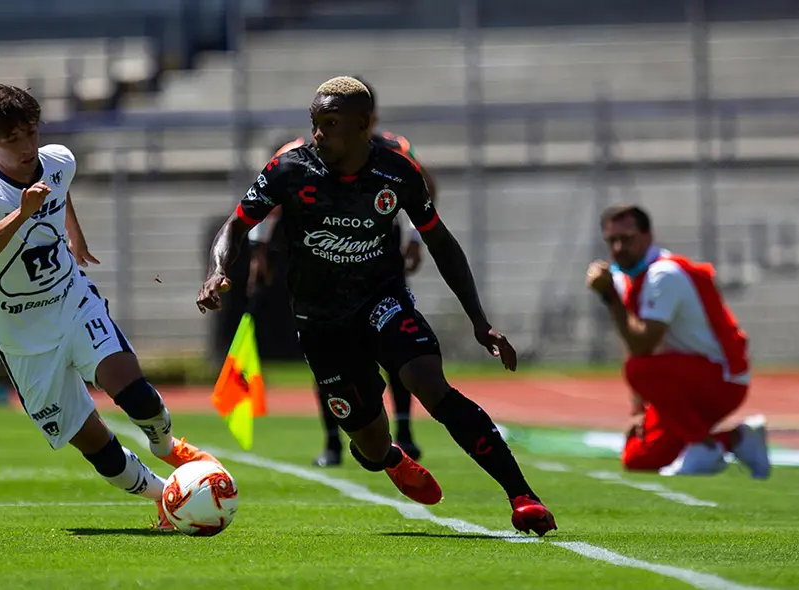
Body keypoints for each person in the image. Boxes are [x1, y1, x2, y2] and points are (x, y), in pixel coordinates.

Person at [197, 76, 556, 536]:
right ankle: (390, 457)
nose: (319, 134)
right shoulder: (289, 169)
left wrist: (479, 321)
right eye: (315, 124)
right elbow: (235, 224)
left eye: (330, 123)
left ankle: (522, 496)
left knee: (429, 382)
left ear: (365, 124)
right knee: (367, 447)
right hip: (321, 321)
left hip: (381, 300)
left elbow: (441, 243)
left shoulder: (398, 172)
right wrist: (216, 270)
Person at [0, 84, 220, 531]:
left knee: (130, 387)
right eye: (12, 140)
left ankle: (167, 444)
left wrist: (74, 233)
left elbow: (59, 187)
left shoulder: (58, 159)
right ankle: (165, 497)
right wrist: (22, 214)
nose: (26, 147)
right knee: (94, 442)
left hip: (70, 299)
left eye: (30, 133)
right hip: (22, 333)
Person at [246, 76, 435, 468]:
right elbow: (270, 200)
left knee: (396, 348)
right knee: (326, 355)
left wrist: (415, 238)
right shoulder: (296, 155)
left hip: (376, 267)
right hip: (320, 274)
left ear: (367, 118)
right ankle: (333, 440)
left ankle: (403, 433)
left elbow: (422, 188)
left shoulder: (395, 150)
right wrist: (259, 249)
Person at [585, 204, 770, 479]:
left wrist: (610, 298)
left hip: (720, 377)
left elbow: (643, 347)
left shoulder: (663, 274)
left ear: (648, 236)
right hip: (684, 378)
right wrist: (638, 410)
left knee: (638, 368)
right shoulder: (629, 277)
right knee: (639, 457)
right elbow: (633, 340)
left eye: (627, 238)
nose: (619, 247)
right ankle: (737, 439)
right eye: (612, 241)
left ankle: (703, 446)